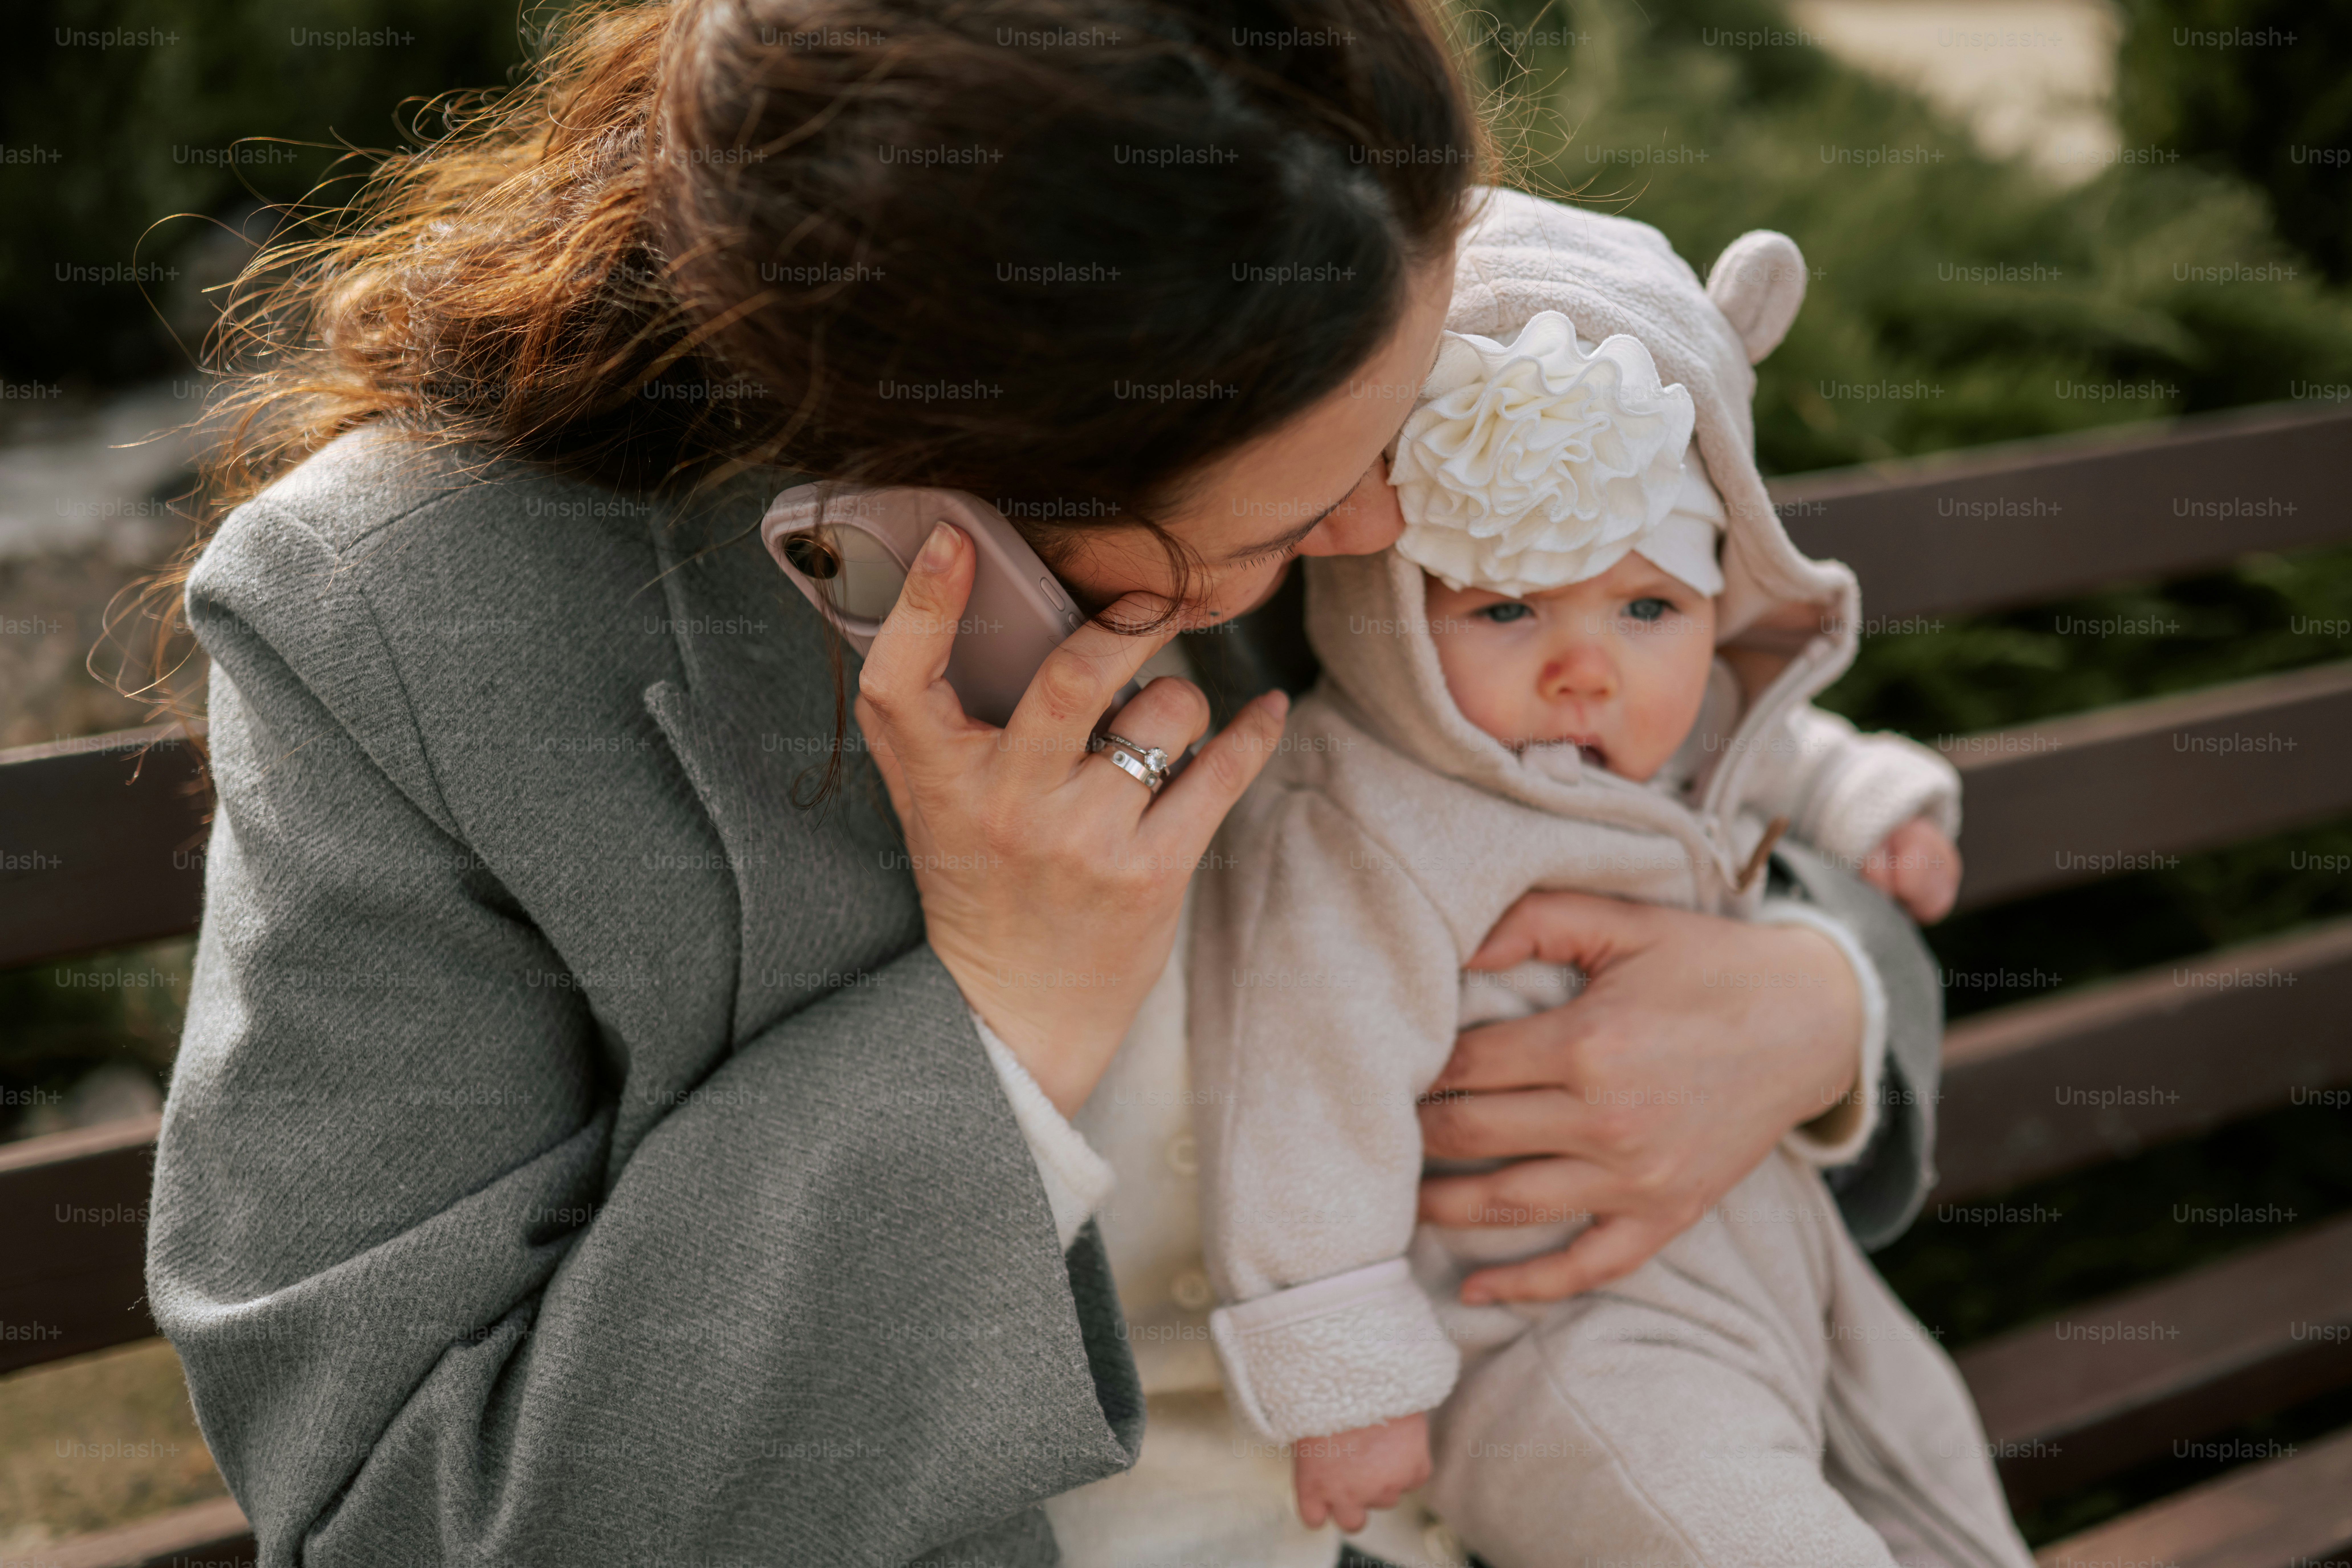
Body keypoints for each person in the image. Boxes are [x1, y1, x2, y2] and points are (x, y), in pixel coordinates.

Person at [142, 2, 1953, 1562]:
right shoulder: (401, 622)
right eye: (1297, 503)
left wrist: (1821, 1004)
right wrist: (999, 1024)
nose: (1390, 524)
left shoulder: (1349, 316)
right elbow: (410, 1515)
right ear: (984, 450)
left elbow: (1707, 765)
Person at [1186, 192, 2026, 1567]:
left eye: (1649, 607)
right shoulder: (1363, 815)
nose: (1591, 666)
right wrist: (1345, 1382)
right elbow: (1296, 1089)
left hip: (1784, 1257)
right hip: (1553, 1335)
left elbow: (1777, 743)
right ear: (1388, 602)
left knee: (1951, 1505)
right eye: (1508, 608)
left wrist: (1879, 811)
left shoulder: (1675, 714)